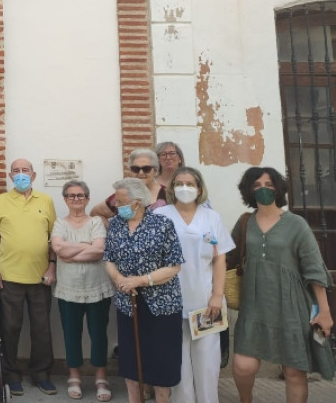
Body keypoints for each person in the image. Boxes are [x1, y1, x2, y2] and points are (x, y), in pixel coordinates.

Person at [230, 167, 335, 403]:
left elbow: (315, 270)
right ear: (249, 191)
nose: (263, 189)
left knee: (293, 371)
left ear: (278, 188)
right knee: (243, 367)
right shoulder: (245, 222)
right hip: (254, 306)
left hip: (291, 306)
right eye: (256, 185)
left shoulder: (296, 224)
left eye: (268, 184)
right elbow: (227, 258)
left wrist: (325, 312)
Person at [155, 167, 234, 403]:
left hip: (205, 301)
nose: (184, 188)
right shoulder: (161, 216)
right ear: (171, 188)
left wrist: (217, 296)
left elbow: (220, 258)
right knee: (178, 363)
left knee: (207, 362)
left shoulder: (212, 217)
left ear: (199, 188)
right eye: (179, 183)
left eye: (190, 183)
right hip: (171, 301)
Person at [103, 177, 184, 403]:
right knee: (131, 364)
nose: (117, 206)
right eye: (116, 201)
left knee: (161, 364)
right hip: (127, 305)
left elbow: (174, 266)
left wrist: (139, 280)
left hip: (162, 305)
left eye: (121, 201)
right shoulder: (117, 224)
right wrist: (119, 278)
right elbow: (108, 259)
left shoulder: (162, 224)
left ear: (137, 202)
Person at [0, 158, 57, 396]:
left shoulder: (46, 201)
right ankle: (11, 375)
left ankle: (41, 374)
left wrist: (52, 267)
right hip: (9, 277)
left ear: (33, 175)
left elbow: (53, 239)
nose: (20, 174)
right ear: (9, 176)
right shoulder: (0, 201)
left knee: (41, 329)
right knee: (10, 328)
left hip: (40, 278)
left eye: (24, 170)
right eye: (15, 171)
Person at [50, 180, 113, 401]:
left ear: (87, 199)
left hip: (98, 287)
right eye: (71, 195)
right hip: (68, 289)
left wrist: (71, 252)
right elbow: (58, 248)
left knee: (98, 334)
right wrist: (87, 246)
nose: (76, 199)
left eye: (80, 195)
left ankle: (101, 378)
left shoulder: (96, 221)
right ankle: (74, 376)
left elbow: (99, 250)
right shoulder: (59, 223)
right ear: (65, 199)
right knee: (71, 334)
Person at [91, 148, 167, 226]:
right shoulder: (122, 195)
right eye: (135, 169)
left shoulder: (168, 194)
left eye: (146, 169)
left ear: (155, 170)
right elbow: (96, 213)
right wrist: (112, 231)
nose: (141, 173)